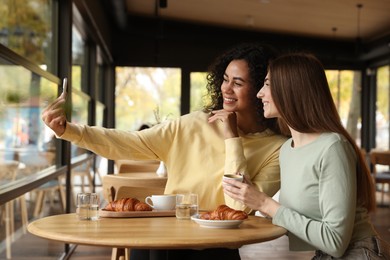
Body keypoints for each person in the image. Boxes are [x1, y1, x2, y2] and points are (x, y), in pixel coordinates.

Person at [42, 42, 287, 260]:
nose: (226, 89)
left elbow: (238, 209)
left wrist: (231, 138)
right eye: (225, 79)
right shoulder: (193, 124)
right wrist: (70, 131)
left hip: (217, 249)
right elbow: (129, 143)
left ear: (260, 90)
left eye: (238, 82)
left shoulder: (277, 148)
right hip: (163, 241)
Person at [223, 52, 390, 259]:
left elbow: (335, 241)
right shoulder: (287, 150)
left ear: (290, 90)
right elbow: (302, 217)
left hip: (357, 253)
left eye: (267, 84)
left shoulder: (332, 147)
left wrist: (267, 204)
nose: (259, 94)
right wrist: (257, 202)